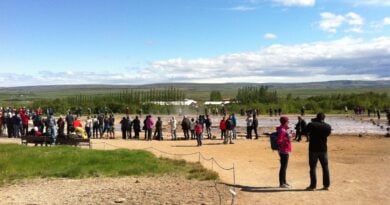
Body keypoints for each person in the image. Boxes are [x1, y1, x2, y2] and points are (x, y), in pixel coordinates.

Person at [306, 113, 332, 191]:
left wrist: (312, 122)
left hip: (313, 148)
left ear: (317, 117)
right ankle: (326, 185)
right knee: (325, 167)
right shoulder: (328, 126)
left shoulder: (311, 124)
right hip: (323, 148)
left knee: (313, 167)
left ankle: (313, 186)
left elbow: (306, 132)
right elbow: (328, 134)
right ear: (324, 118)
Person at [277, 116, 292, 188]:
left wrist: (289, 136)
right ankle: (281, 183)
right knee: (283, 167)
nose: (288, 122)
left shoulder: (283, 129)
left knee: (284, 167)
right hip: (283, 151)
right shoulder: (282, 130)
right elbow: (279, 141)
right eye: (288, 121)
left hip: (284, 150)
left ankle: (284, 181)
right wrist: (287, 138)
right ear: (285, 122)